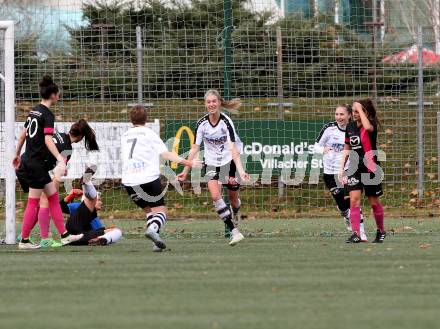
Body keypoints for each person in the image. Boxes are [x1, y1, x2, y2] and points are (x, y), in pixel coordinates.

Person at [12, 75, 83, 249]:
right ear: (52, 94)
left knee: (52, 197)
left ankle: (65, 235)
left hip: (30, 160)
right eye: (58, 93)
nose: (59, 95)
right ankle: (24, 240)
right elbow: (47, 140)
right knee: (33, 202)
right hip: (36, 163)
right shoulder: (47, 114)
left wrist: (17, 154)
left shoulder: (34, 110)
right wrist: (60, 159)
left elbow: (23, 135)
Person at [121, 105, 202, 252]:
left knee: (149, 211)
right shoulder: (148, 133)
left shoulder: (125, 135)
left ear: (130, 119)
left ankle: (155, 243)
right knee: (161, 212)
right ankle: (153, 230)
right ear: (146, 119)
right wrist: (189, 162)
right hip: (147, 179)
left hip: (128, 182)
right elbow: (166, 155)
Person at [177, 90, 249, 246]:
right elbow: (195, 148)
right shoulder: (201, 123)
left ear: (219, 103)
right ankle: (235, 232)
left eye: (214, 101)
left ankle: (236, 211)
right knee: (216, 196)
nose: (211, 104)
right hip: (211, 163)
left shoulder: (226, 122)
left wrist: (241, 170)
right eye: (208, 102)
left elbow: (233, 148)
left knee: (233, 199)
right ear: (205, 104)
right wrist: (185, 170)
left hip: (229, 161)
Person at [16, 119, 99, 247]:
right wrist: (51, 192)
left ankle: (24, 235)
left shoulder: (57, 134)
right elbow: (57, 175)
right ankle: (45, 240)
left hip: (24, 164)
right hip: (33, 169)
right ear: (81, 137)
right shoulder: (67, 149)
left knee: (37, 203)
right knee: (45, 201)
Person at [314, 105, 367, 241]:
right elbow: (316, 146)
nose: (339, 117)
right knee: (342, 205)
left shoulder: (354, 128)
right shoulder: (329, 128)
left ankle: (360, 232)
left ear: (349, 115)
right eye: (337, 114)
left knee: (352, 200)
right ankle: (347, 216)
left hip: (348, 170)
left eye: (342, 114)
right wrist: (322, 150)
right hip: (329, 172)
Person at [339, 99, 386, 243]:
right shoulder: (350, 127)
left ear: (365, 112)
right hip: (354, 166)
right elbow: (347, 147)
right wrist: (341, 167)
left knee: (373, 202)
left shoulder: (370, 124)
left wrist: (359, 108)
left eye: (357, 111)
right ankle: (356, 234)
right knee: (354, 201)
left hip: (370, 166)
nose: (354, 114)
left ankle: (381, 231)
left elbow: (367, 127)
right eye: (353, 111)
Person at [60, 173, 122, 246]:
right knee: (92, 198)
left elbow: (97, 231)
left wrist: (107, 230)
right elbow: (60, 207)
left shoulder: (96, 219)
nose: (101, 202)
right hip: (73, 231)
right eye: (99, 200)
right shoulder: (78, 206)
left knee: (117, 231)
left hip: (82, 238)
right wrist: (70, 196)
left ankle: (103, 240)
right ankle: (86, 182)